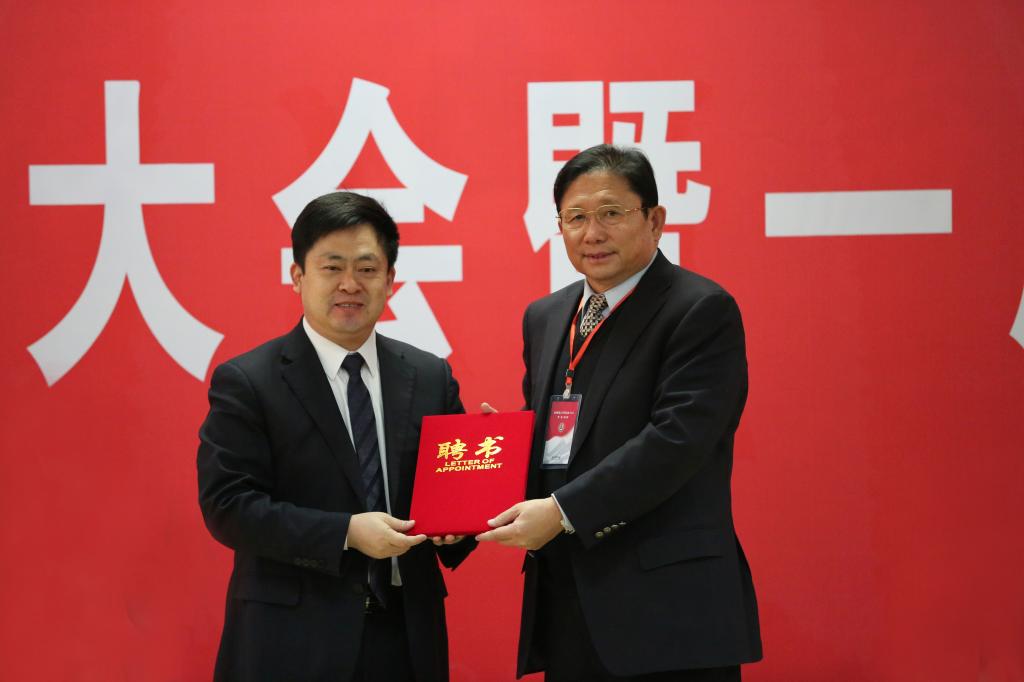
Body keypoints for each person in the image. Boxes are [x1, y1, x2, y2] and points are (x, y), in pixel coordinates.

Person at [477, 145, 762, 681]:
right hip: (568, 601)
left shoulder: (699, 309)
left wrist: (561, 511)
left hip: (669, 609)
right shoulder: (546, 316)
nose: (593, 233)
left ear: (654, 220)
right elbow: (559, 434)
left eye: (610, 212)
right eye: (576, 217)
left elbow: (675, 442)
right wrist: (500, 455)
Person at [197, 191, 473, 682]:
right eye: (332, 267)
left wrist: (467, 505)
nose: (350, 283)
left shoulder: (430, 376)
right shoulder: (249, 381)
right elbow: (229, 506)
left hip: (406, 639)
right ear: (298, 276)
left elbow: (453, 503)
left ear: (390, 279)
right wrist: (346, 533)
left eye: (367, 268)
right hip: (292, 641)